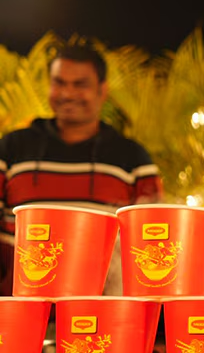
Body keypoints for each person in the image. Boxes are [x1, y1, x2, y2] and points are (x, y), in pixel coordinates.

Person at [0, 43, 163, 296]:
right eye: (59, 83)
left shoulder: (132, 158)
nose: (68, 93)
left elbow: (152, 238)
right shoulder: (11, 148)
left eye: (80, 84)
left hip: (101, 308)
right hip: (19, 305)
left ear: (102, 90)